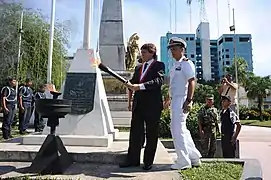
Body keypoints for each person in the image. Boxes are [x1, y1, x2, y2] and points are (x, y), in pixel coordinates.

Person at [119, 43, 165, 170]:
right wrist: (129, 84)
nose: (141, 54)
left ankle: (148, 162)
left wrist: (140, 86)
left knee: (151, 133)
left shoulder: (158, 65)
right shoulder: (139, 67)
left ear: (152, 53)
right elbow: (134, 81)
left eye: (144, 52)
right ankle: (132, 160)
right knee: (135, 133)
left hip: (153, 106)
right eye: (141, 52)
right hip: (138, 105)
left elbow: (158, 81)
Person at [163, 37, 201, 170]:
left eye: (175, 49)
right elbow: (173, 86)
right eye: (171, 49)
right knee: (182, 129)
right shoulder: (175, 66)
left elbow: (192, 81)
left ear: (182, 49)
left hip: (182, 99)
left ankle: (183, 161)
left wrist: (189, 100)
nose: (172, 51)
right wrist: (168, 99)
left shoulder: (186, 63)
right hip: (175, 99)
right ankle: (194, 157)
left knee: (177, 130)